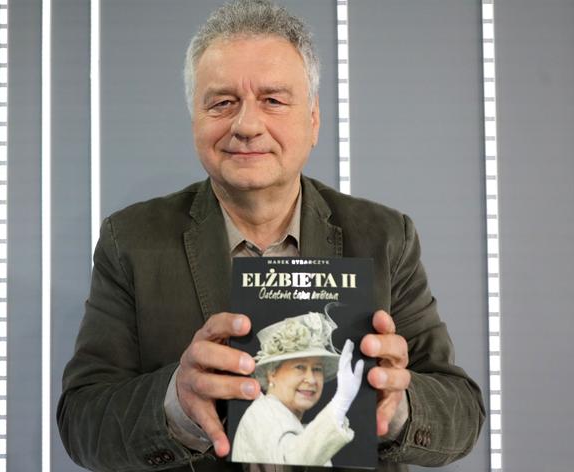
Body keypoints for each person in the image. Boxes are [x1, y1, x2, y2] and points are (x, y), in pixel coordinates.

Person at [57, 1, 485, 471]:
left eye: (273, 100)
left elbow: (462, 412)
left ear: (313, 121)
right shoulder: (131, 241)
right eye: (222, 102)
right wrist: (176, 402)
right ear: (195, 120)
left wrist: (397, 405)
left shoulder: (385, 237)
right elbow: (82, 420)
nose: (246, 125)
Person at [231, 311, 365, 467]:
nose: (311, 379)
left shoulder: (289, 422)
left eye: (317, 369)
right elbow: (291, 463)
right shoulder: (261, 415)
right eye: (300, 367)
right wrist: (340, 404)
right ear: (272, 373)